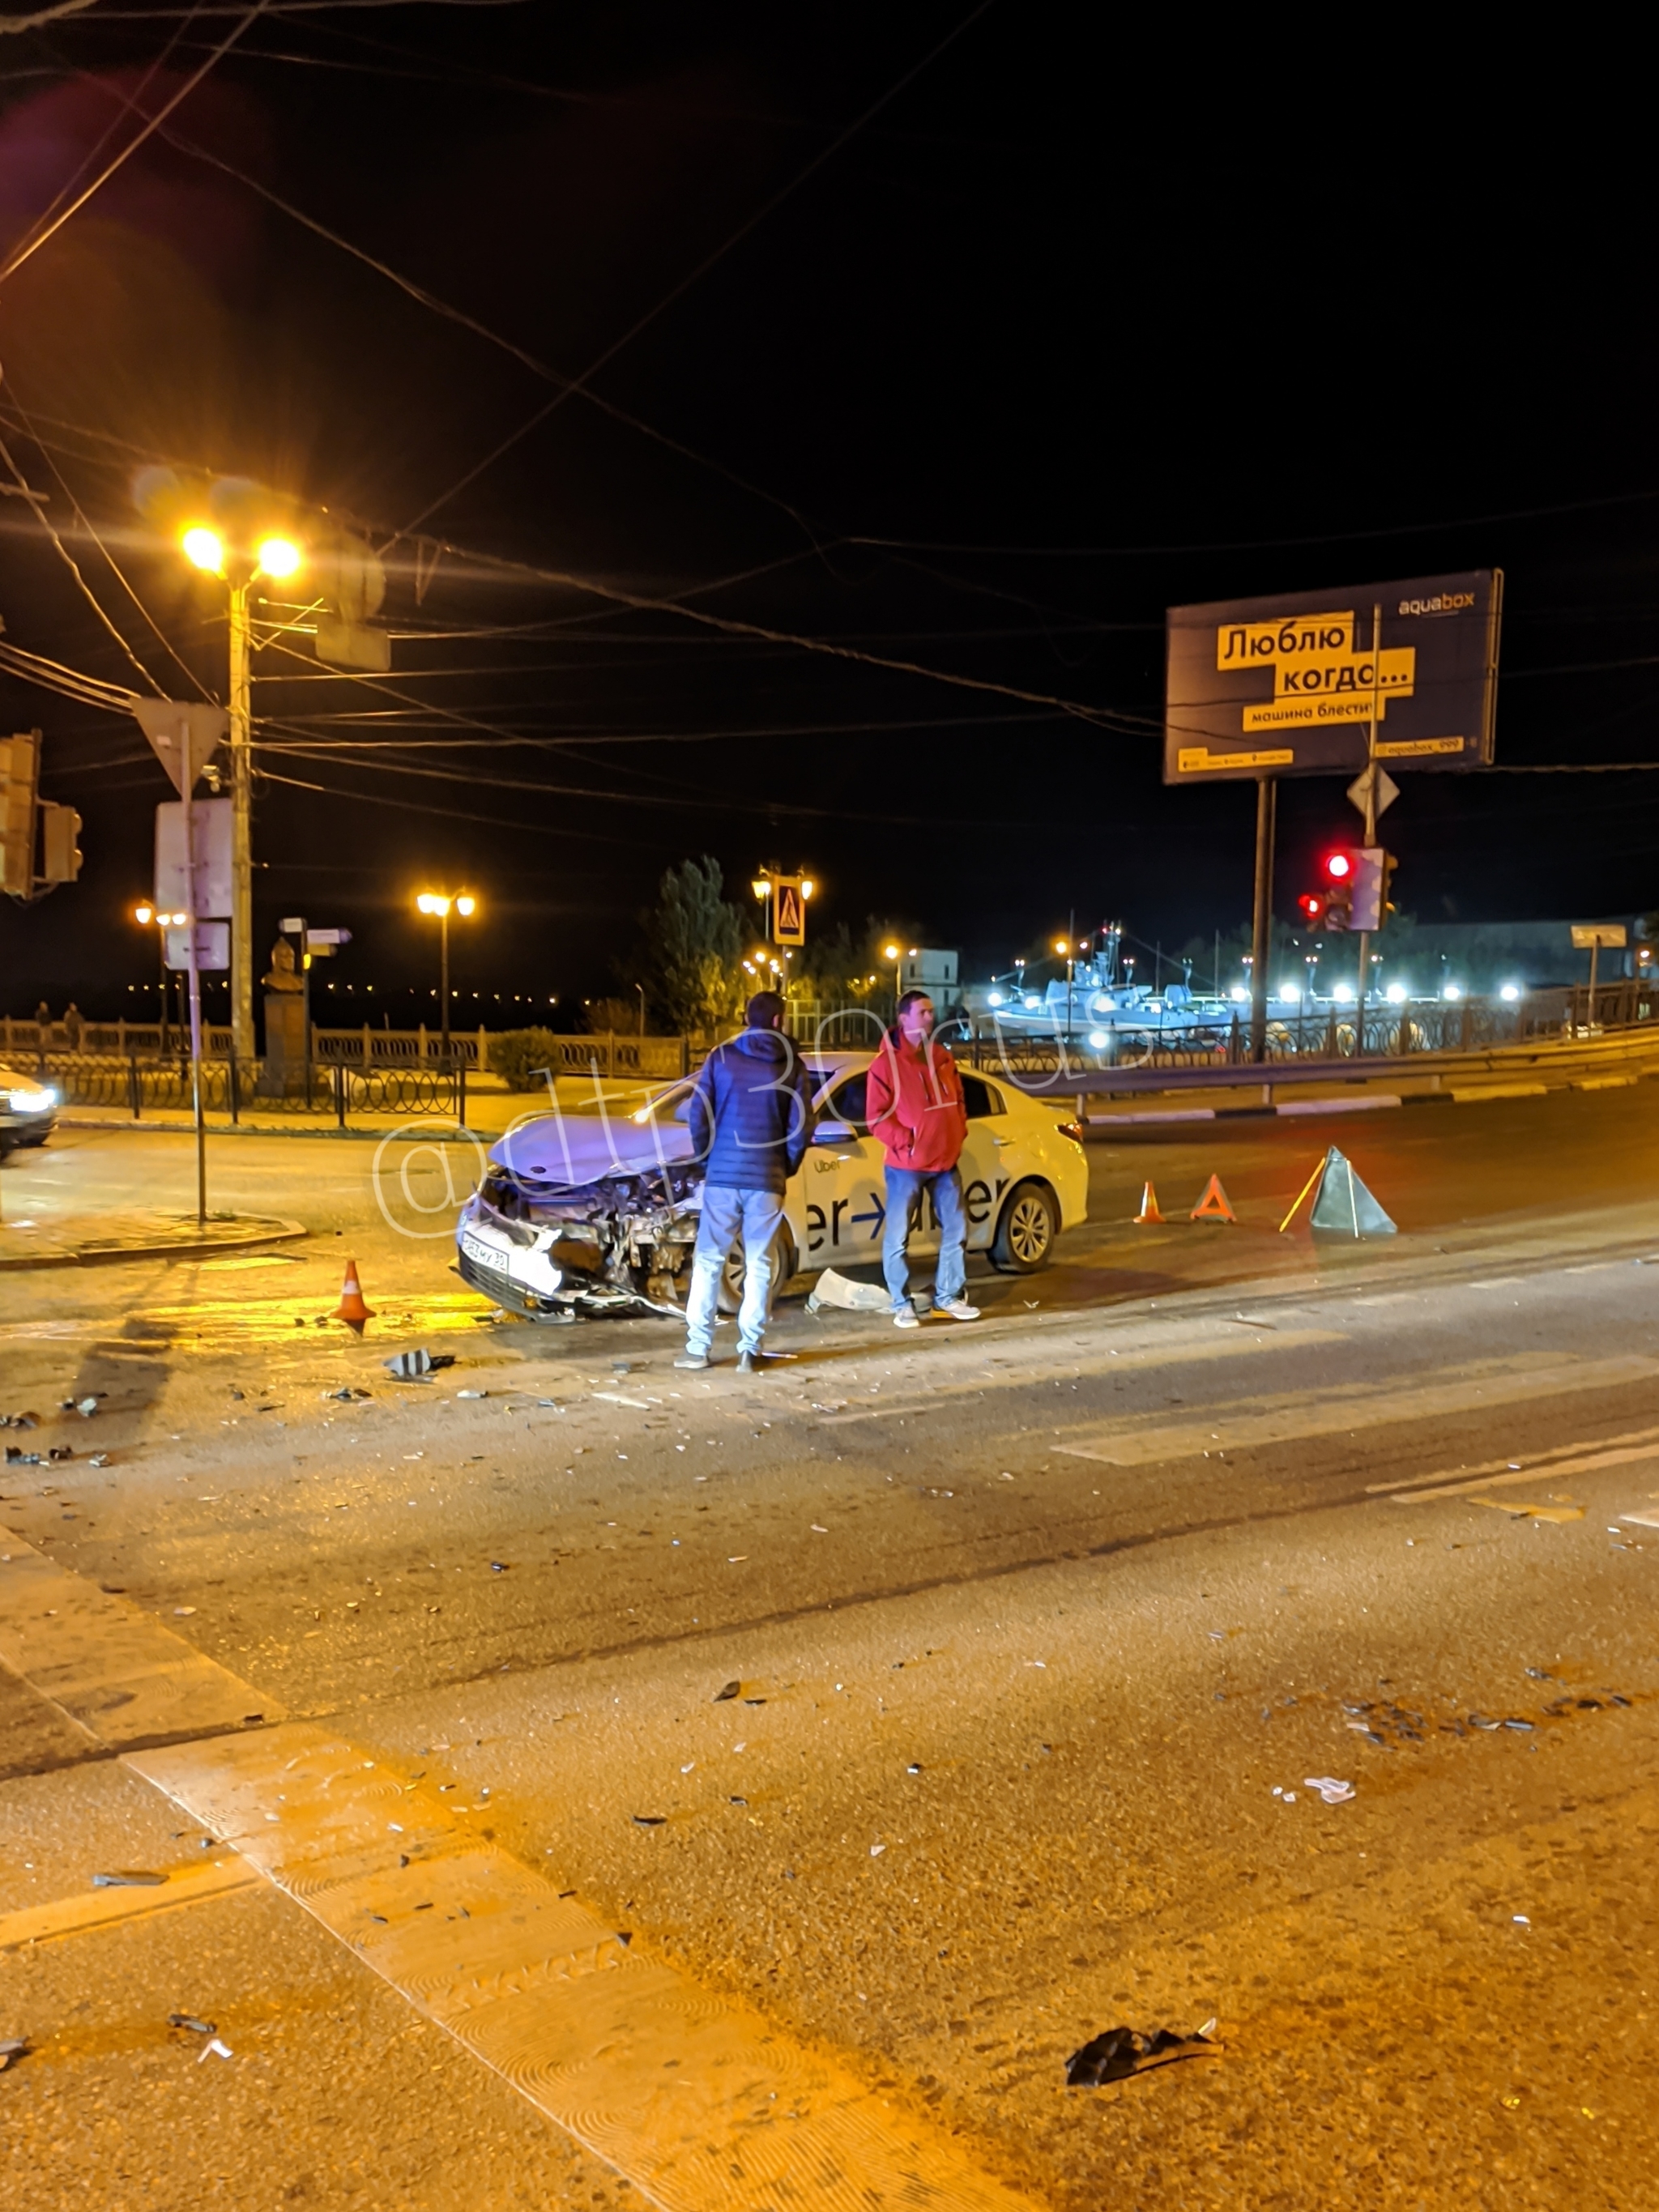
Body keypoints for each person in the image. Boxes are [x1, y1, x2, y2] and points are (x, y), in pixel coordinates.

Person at [678, 991, 817, 1375]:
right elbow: (801, 1126)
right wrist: (784, 1166)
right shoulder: (792, 1065)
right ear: (778, 1021)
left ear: (746, 1019)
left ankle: (697, 1348)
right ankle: (750, 1350)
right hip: (766, 1177)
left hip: (723, 1175)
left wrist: (709, 1158)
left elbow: (698, 1114)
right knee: (759, 1263)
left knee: (708, 1260)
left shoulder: (720, 1058)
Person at [867, 989, 979, 1328]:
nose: (930, 1017)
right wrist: (907, 1140)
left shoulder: (942, 1057)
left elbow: (959, 1099)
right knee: (899, 1237)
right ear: (904, 1019)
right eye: (923, 1012)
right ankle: (901, 1304)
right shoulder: (885, 1065)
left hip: (945, 1162)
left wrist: (958, 1132)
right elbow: (875, 1117)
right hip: (906, 1167)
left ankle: (947, 1296)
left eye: (931, 1012)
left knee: (957, 1230)